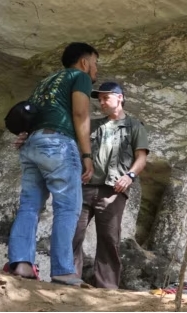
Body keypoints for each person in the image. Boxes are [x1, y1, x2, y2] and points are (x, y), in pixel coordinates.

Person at [7, 43, 98, 286]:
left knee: (29, 206)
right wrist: (87, 155)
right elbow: (80, 114)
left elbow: (31, 114)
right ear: (84, 62)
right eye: (95, 63)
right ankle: (63, 270)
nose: (96, 69)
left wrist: (30, 135)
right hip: (58, 144)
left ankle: (22, 263)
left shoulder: (45, 81)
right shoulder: (80, 77)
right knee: (67, 208)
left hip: (32, 145)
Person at [72, 81, 149, 289]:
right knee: (73, 233)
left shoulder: (135, 126)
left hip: (113, 191)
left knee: (108, 239)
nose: (102, 102)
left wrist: (129, 176)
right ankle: (68, 280)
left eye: (106, 98)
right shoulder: (94, 125)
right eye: (100, 99)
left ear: (120, 97)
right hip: (85, 187)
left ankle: (106, 288)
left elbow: (141, 157)